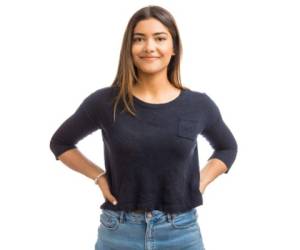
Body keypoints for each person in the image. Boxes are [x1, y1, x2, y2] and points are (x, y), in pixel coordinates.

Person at [49, 5, 238, 250]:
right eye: (139, 39)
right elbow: (61, 142)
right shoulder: (105, 102)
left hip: (181, 232)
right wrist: (98, 176)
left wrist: (200, 181)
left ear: (174, 48)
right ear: (129, 48)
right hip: (119, 231)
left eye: (159, 38)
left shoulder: (198, 104)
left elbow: (227, 147)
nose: (149, 47)